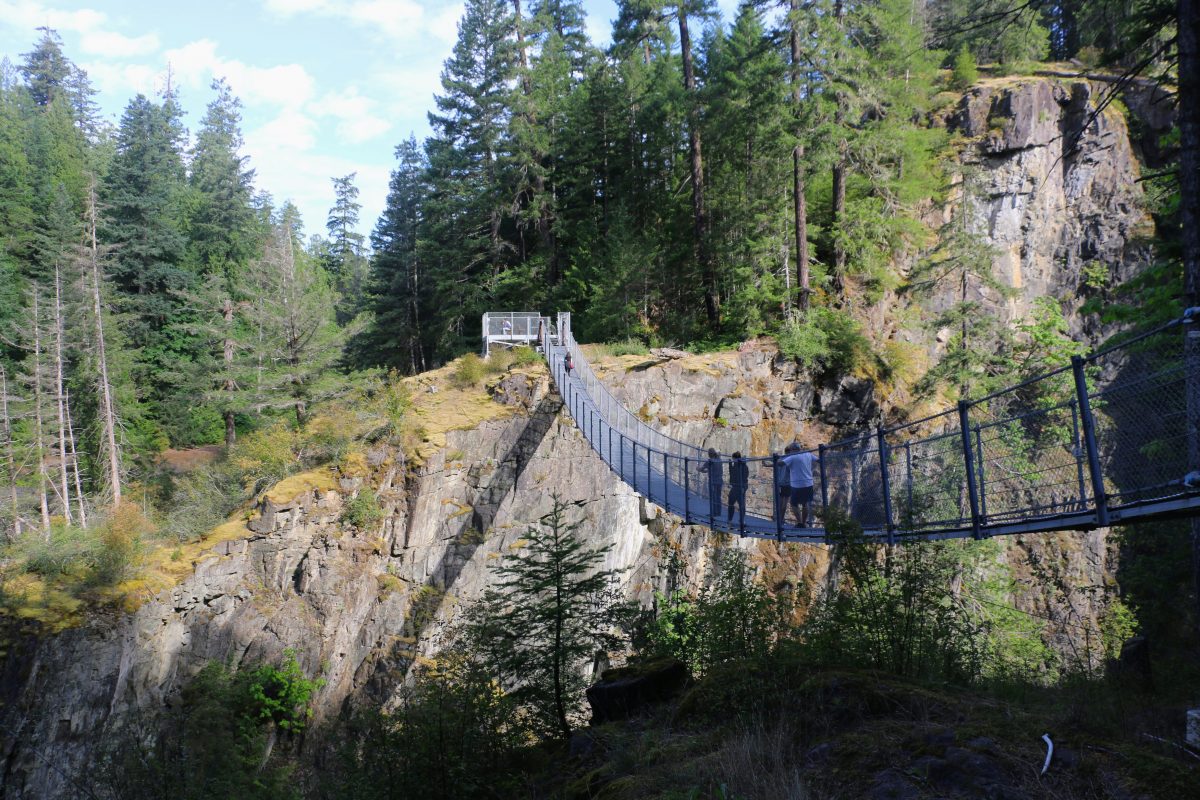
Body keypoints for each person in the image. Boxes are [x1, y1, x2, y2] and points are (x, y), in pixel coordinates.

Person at [782, 441, 816, 527]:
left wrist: (778, 458)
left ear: (793, 450)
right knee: (805, 504)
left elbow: (780, 464)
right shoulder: (808, 454)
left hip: (797, 485)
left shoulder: (793, 457)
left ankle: (800, 522)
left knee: (793, 504)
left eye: (791, 450)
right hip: (808, 483)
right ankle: (804, 523)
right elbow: (819, 460)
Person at [776, 443, 797, 523]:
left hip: (780, 483)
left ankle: (778, 518)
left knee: (780, 501)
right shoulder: (790, 460)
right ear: (790, 452)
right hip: (788, 483)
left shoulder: (780, 459)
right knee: (785, 502)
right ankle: (781, 519)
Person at [699, 447, 723, 520]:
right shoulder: (719, 460)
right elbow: (711, 469)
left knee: (713, 497)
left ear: (709, 454)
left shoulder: (709, 461)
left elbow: (702, 469)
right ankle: (718, 512)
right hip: (720, 481)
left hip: (713, 482)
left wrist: (697, 468)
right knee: (718, 497)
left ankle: (713, 513)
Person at [727, 451, 749, 530]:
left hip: (736, 487)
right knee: (741, 505)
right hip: (742, 488)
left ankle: (730, 521)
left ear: (735, 458)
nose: (732, 461)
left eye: (733, 459)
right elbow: (746, 477)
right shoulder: (745, 466)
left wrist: (730, 465)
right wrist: (744, 488)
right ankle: (742, 522)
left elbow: (732, 475)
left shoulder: (735, 466)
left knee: (730, 503)